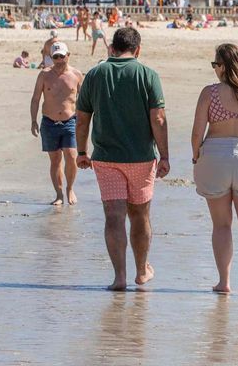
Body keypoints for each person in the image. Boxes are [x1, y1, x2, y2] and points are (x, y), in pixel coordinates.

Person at [75, 27, 169, 291]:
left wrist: (81, 152)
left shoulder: (95, 74)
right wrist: (165, 155)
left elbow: (82, 118)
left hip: (106, 158)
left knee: (114, 216)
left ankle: (119, 277)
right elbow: (158, 118)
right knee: (140, 215)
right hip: (140, 157)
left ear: (112, 48)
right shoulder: (148, 74)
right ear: (137, 50)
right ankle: (141, 272)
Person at [191, 43, 238, 294]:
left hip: (215, 155)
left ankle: (224, 282)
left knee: (221, 225)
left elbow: (196, 134)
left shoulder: (210, 93)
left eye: (215, 64)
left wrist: (196, 156)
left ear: (223, 66)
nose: (214, 69)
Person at [31, 42, 84, 206]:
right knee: (55, 160)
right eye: (56, 57)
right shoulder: (44, 75)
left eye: (62, 56)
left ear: (68, 55)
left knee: (71, 155)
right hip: (49, 122)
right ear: (51, 58)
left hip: (70, 122)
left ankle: (70, 189)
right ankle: (59, 194)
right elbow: (35, 99)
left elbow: (83, 102)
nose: (59, 60)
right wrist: (33, 120)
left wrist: (85, 123)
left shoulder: (76, 74)